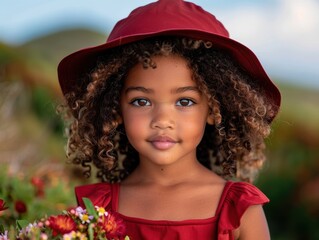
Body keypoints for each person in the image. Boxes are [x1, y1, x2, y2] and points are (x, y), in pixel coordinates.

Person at [57, 0, 281, 239]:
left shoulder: (240, 209)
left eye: (184, 101)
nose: (162, 120)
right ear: (115, 110)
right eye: (141, 101)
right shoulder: (97, 210)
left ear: (215, 110)